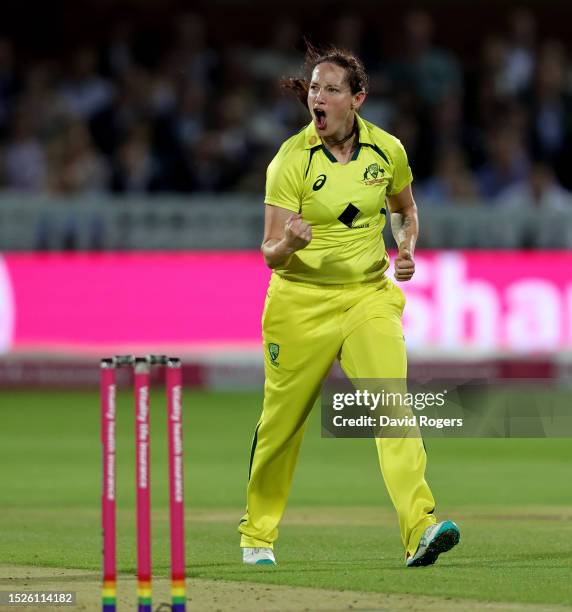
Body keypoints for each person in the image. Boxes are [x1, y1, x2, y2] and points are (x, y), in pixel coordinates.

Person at [238, 46, 460, 567]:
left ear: (357, 99)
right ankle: (258, 534)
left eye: (331, 89)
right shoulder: (290, 160)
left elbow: (404, 210)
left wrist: (405, 247)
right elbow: (269, 251)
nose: (318, 97)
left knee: (394, 409)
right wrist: (289, 245)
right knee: (282, 424)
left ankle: (420, 528)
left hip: (368, 297)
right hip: (300, 304)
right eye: (314, 88)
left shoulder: (388, 151)